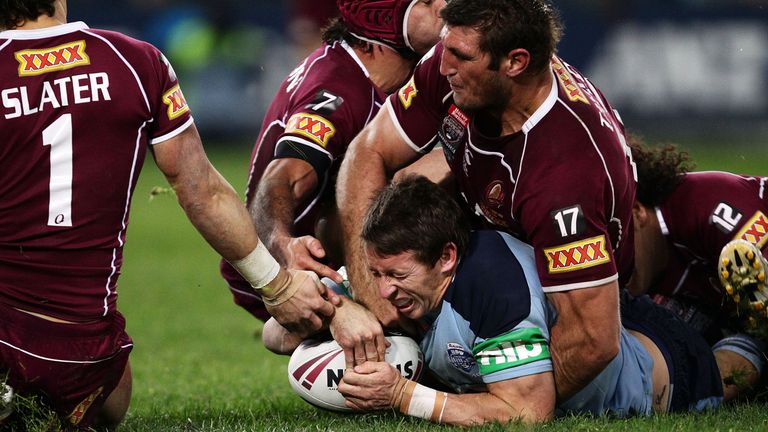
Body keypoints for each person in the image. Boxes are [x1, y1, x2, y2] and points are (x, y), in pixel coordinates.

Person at [0, 1, 335, 429]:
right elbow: (203, 191)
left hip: (10, 342)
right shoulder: (137, 61)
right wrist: (277, 286)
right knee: (108, 395)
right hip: (89, 365)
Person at [335, 0, 636, 400]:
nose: (443, 67)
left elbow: (593, 341)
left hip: (556, 296)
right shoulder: (456, 68)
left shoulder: (563, 175)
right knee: (291, 327)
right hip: (481, 258)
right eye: (445, 49)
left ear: (515, 62)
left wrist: (485, 401)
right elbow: (367, 152)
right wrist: (365, 282)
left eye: (459, 56)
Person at [337, 175, 735, 425]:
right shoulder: (408, 274)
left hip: (670, 372)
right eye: (376, 275)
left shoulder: (491, 287)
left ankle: (752, 340)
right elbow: (279, 336)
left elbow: (526, 414)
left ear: (446, 258)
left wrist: (402, 395)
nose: (384, 291)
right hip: (616, 319)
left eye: (397, 276)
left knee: (736, 368)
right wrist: (343, 309)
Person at [219, 0, 446, 344]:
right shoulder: (338, 90)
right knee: (432, 175)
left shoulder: (400, 71)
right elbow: (281, 178)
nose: (448, 6)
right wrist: (281, 245)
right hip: (304, 263)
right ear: (384, 17)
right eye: (430, 1)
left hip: (355, 246)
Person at [626, 141, 766, 396]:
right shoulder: (645, 285)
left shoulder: (706, 205)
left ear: (637, 212)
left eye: (616, 242)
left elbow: (757, 257)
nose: (613, 263)